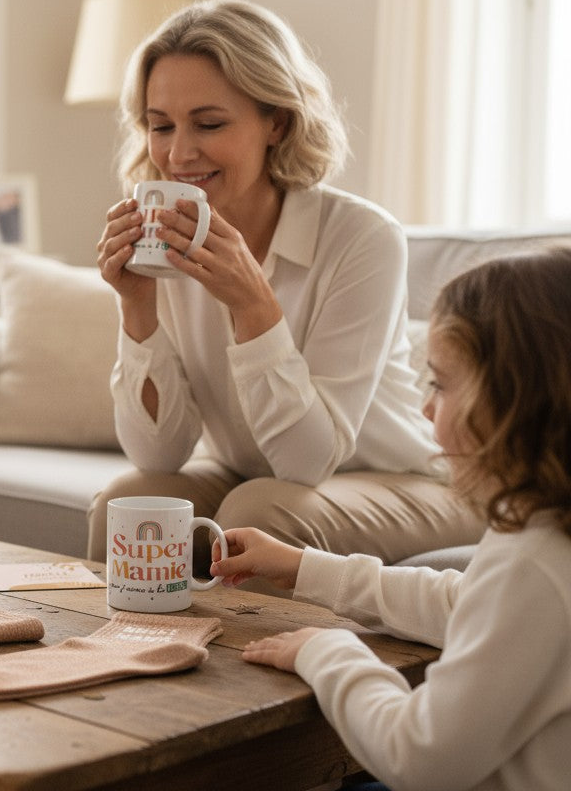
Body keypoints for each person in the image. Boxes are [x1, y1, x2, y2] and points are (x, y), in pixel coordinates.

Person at [90, 0, 482, 578]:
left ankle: (247, 669)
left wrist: (253, 304)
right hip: (260, 473)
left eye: (210, 123)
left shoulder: (361, 237)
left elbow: (307, 460)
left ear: (277, 120)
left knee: (258, 512)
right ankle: (120, 657)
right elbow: (158, 455)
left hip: (406, 480)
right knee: (132, 502)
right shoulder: (167, 236)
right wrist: (137, 305)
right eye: (160, 125)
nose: (178, 153)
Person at [209, 249, 571, 790]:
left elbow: (418, 759)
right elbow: (464, 603)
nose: (427, 410)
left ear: (514, 400)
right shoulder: (541, 533)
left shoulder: (535, 565)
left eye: (441, 385)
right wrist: (305, 567)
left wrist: (329, 653)